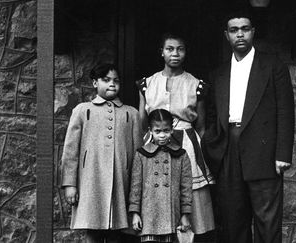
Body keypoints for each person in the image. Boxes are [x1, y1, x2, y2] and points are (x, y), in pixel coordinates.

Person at [202, 11, 295, 243]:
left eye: (244, 29)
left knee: (267, 222)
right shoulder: (219, 73)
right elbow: (213, 114)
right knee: (233, 221)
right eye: (234, 30)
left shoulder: (273, 66)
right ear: (227, 35)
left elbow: (285, 111)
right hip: (228, 150)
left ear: (253, 32)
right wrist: (213, 147)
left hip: (263, 150)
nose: (240, 34)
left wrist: (282, 154)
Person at [136, 33, 215, 240]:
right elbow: (142, 121)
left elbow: (201, 125)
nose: (175, 53)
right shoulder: (147, 83)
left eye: (180, 49)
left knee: (189, 196)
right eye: (170, 49)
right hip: (155, 143)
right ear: (161, 52)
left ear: (185, 52)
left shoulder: (196, 84)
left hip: (186, 144)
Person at [60, 63, 142, 243]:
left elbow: (138, 157)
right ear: (95, 83)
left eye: (116, 81)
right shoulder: (82, 110)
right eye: (106, 80)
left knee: (117, 232)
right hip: (91, 182)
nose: (112, 84)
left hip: (121, 182)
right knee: (93, 232)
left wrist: (136, 192)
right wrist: (69, 184)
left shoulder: (132, 113)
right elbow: (70, 151)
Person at [129, 109, 192, 243]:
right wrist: (135, 213)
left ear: (172, 130)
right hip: (148, 216)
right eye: (157, 131)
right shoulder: (141, 155)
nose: (162, 135)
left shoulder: (181, 155)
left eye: (166, 130)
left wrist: (185, 214)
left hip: (172, 216)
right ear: (150, 130)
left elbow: (186, 187)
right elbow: (135, 187)